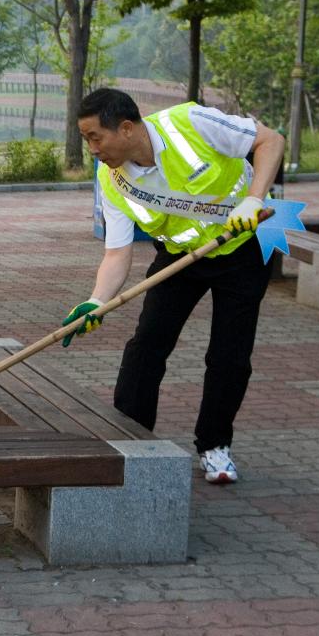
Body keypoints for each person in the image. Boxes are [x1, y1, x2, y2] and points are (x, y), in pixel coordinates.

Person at [65, 89, 285, 485]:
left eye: (95, 137)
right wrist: (97, 300)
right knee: (147, 343)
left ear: (127, 128)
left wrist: (254, 200)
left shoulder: (191, 123)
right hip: (181, 258)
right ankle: (131, 439)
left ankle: (214, 446)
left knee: (229, 355)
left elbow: (271, 140)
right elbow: (117, 254)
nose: (92, 149)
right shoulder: (110, 179)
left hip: (241, 250)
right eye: (86, 140)